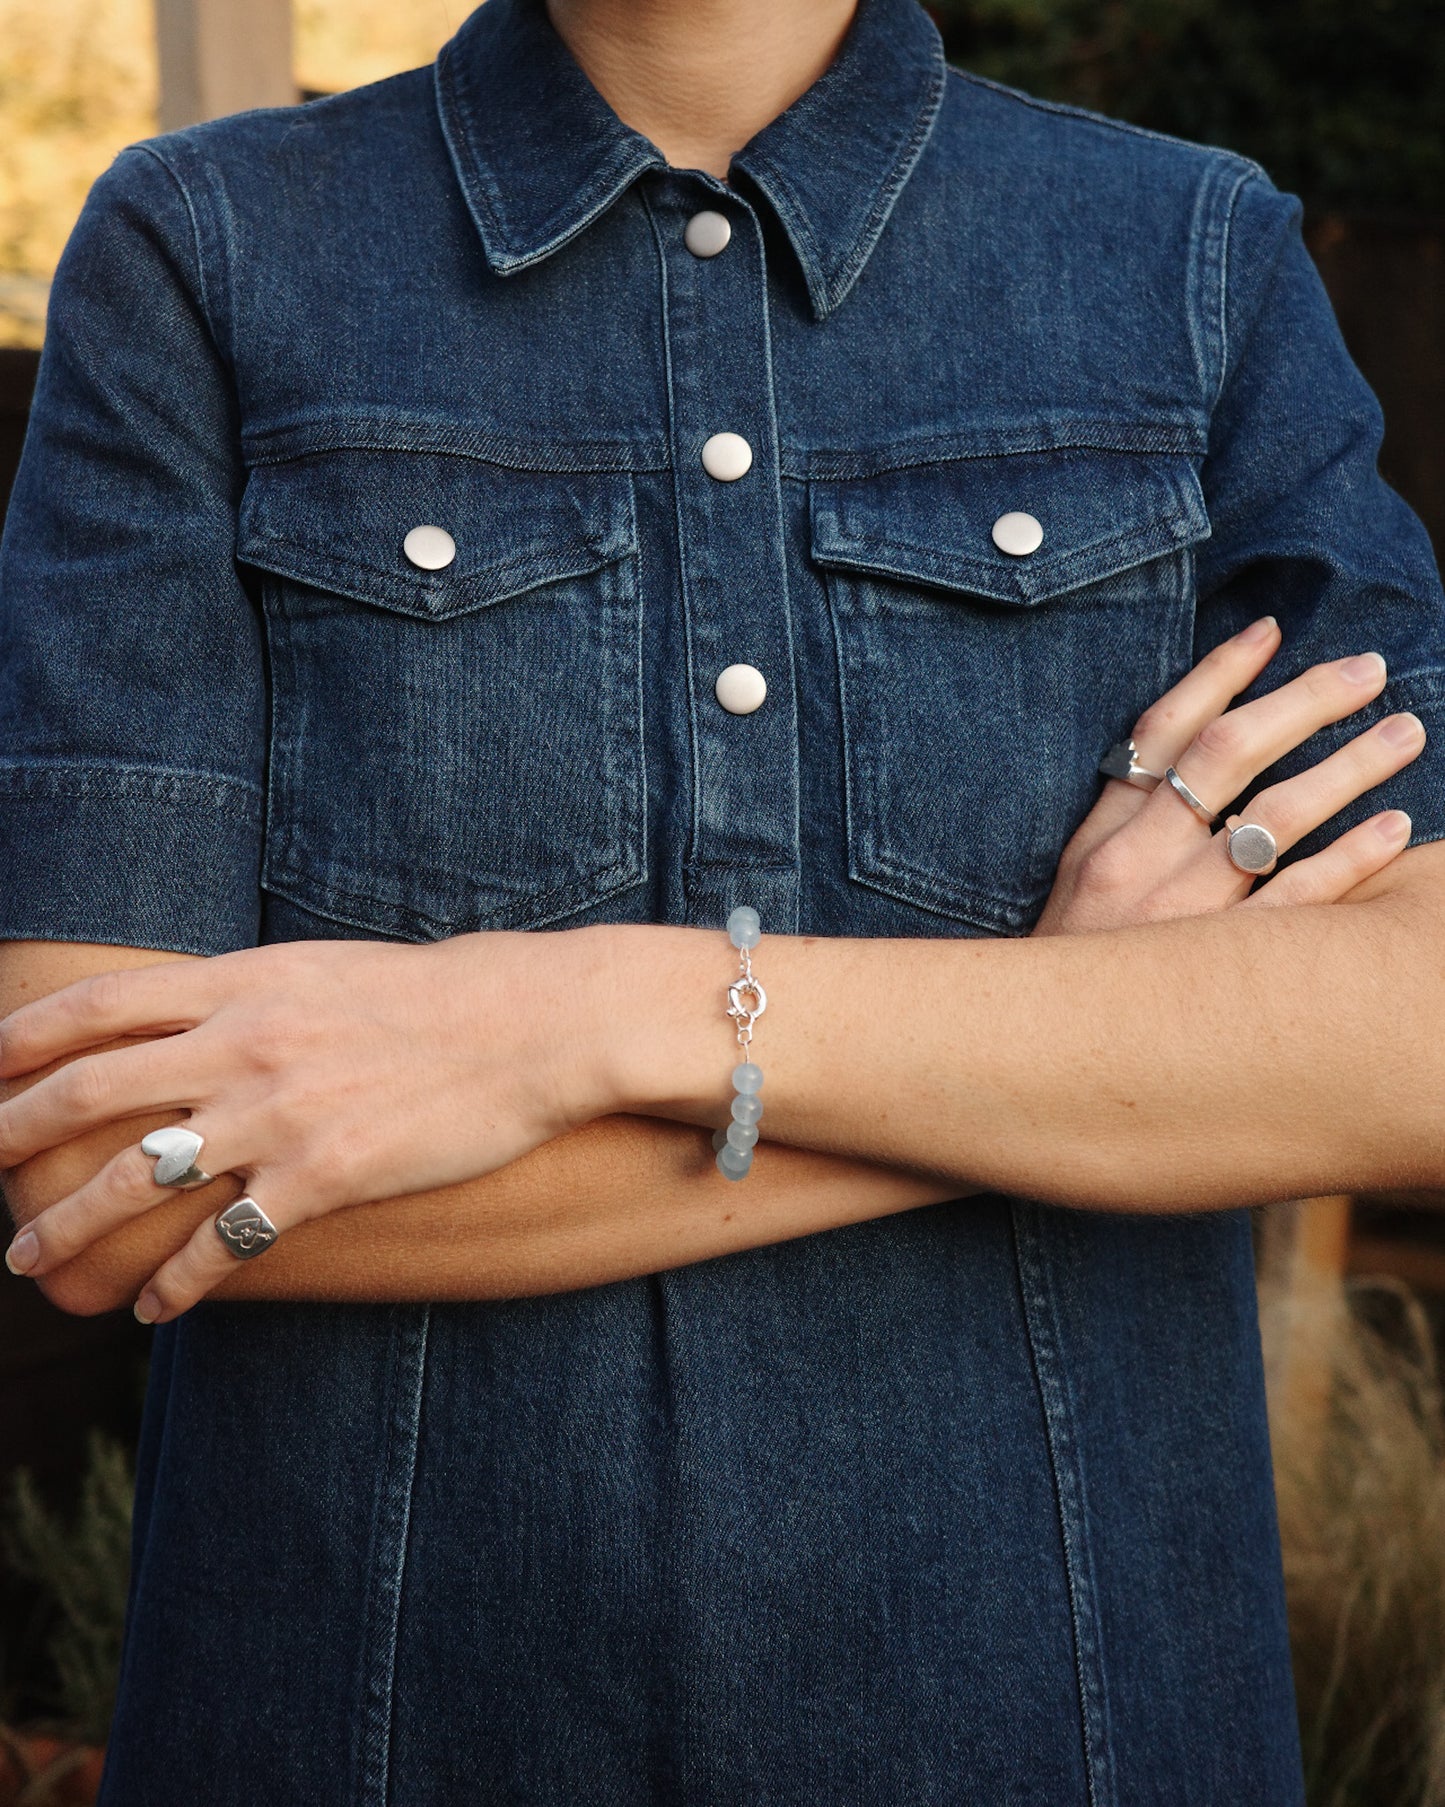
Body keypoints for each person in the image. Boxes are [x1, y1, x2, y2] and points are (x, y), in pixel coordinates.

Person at [1, 0, 1442, 1798]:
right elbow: (106, 1172)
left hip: (1068, 1724)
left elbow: (1415, 1034)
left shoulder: (1187, 255)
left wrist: (582, 1023)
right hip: (369, 1727)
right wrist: (1051, 1054)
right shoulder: (206, 250)